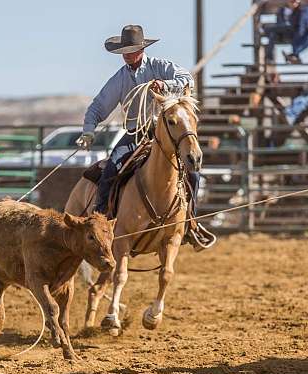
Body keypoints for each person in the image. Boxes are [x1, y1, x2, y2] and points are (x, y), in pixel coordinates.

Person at [75, 24, 214, 250]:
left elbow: (186, 79)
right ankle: (101, 220)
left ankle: (190, 223)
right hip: (134, 133)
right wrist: (89, 130)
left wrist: (165, 84)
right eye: (124, 52)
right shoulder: (119, 79)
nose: (127, 56)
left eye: (131, 50)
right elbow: (98, 106)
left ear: (141, 49)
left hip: (166, 131)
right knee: (112, 168)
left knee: (193, 172)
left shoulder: (160, 67)